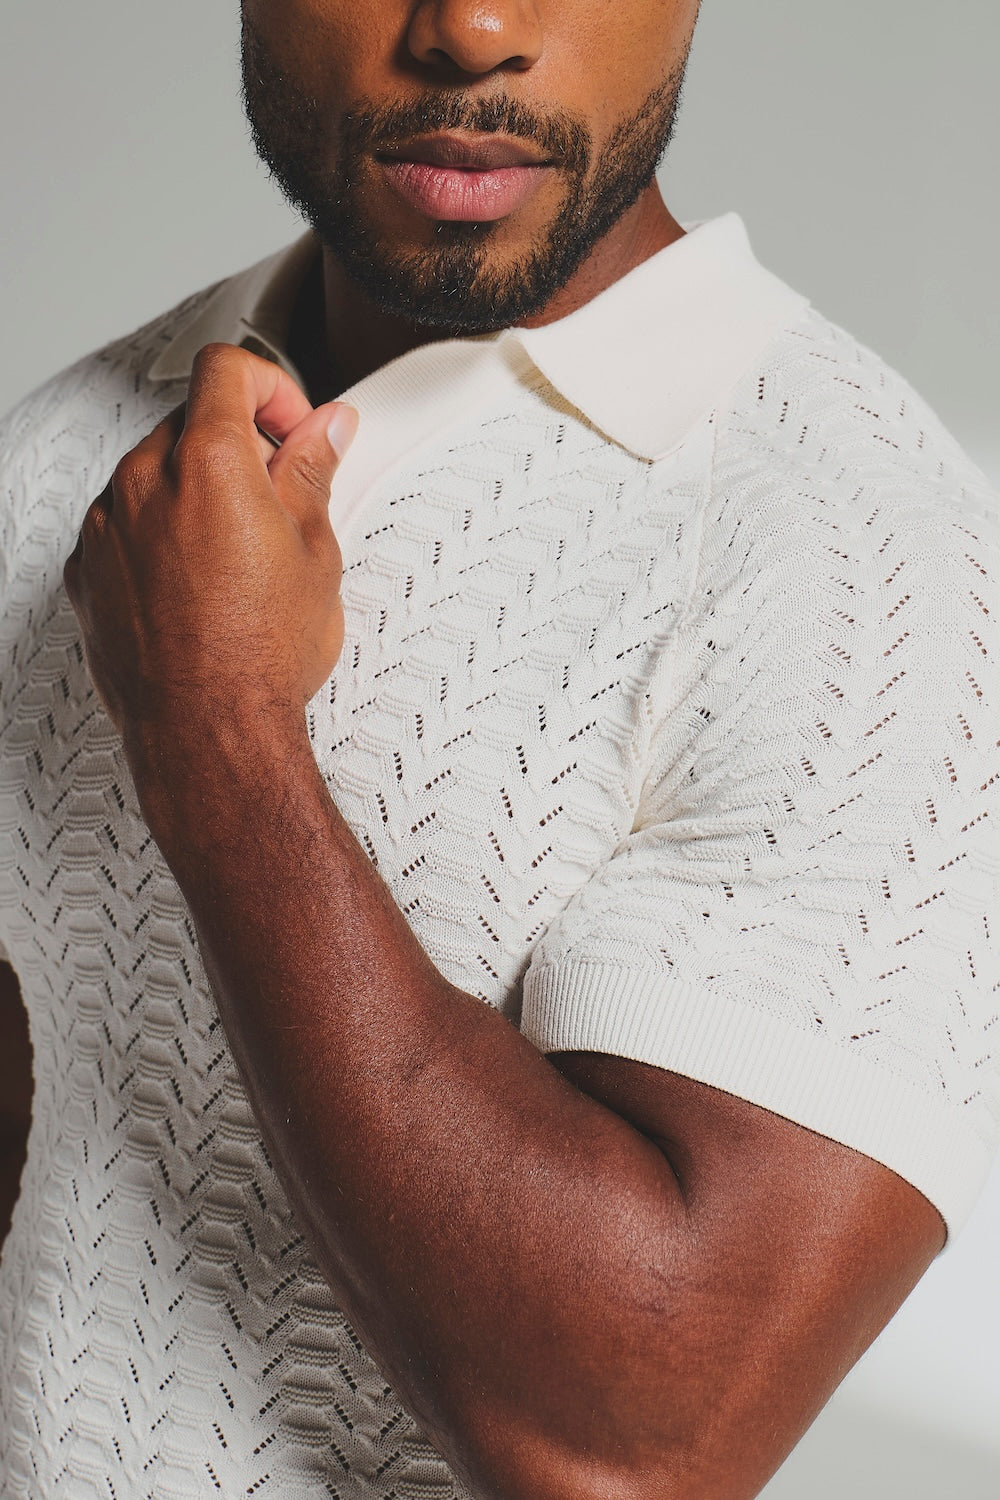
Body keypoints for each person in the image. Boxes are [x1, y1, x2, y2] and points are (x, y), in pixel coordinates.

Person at [0, 1, 997, 1495]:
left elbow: (630, 1455)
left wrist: (218, 734)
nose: (471, 29)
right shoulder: (68, 448)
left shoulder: (867, 567)